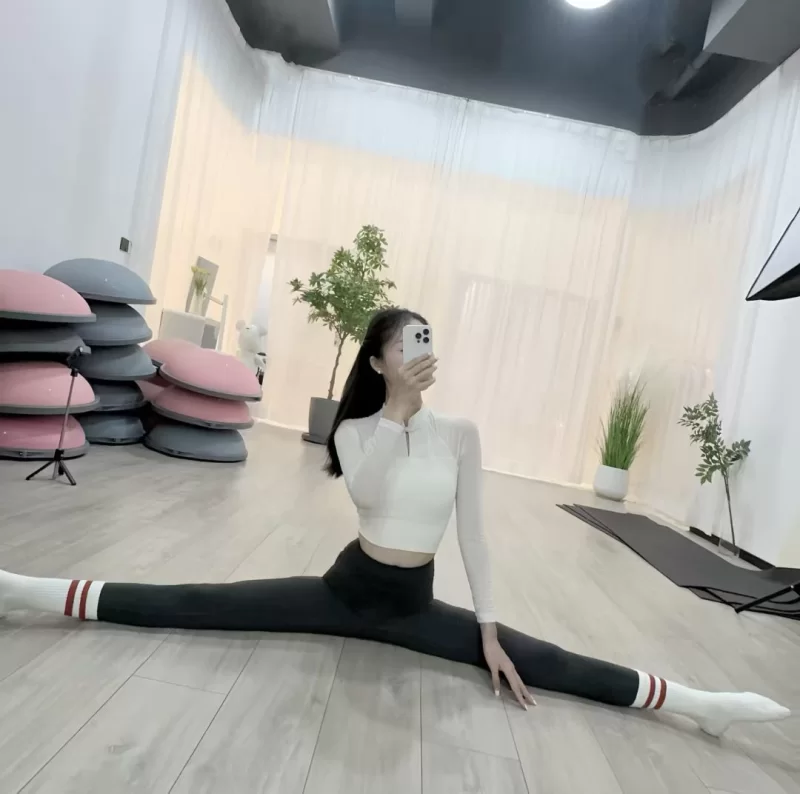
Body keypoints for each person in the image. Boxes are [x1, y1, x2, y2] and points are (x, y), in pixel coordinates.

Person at [0, 308, 791, 736]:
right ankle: (32, 591)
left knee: (544, 661)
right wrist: (398, 412)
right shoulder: (355, 431)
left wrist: (488, 630)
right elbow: (372, 497)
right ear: (378, 361)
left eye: (427, 342)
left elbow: (474, 536)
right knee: (198, 602)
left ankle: (698, 705)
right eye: (407, 345)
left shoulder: (462, 434)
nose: (421, 352)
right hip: (344, 590)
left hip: (414, 605)